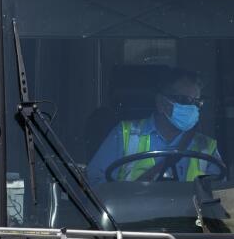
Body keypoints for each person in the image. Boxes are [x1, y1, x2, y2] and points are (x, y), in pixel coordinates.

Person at [86, 68, 221, 184]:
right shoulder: (124, 134)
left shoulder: (207, 147)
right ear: (161, 103)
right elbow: (96, 184)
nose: (192, 108)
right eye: (185, 100)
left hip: (190, 215)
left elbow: (220, 196)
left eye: (197, 102)